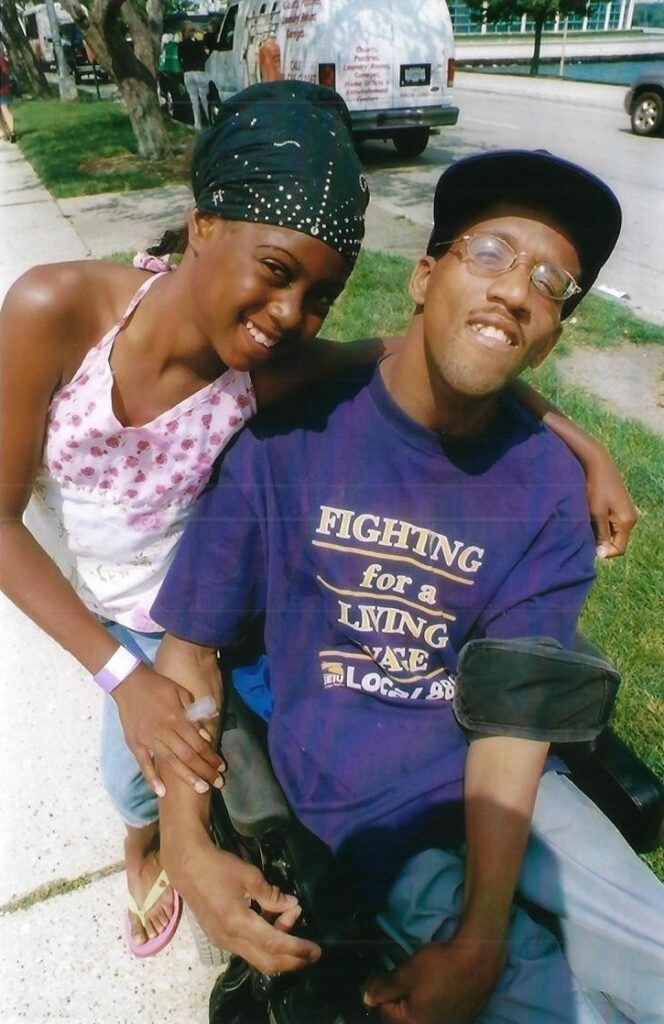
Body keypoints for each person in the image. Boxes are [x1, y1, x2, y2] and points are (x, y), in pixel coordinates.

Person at [0, 77, 634, 960]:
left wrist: (580, 443)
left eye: (321, 296)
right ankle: (141, 850)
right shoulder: (54, 311)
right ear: (202, 225)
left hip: (201, 600)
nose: (290, 317)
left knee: (197, 757)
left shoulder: (265, 365)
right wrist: (119, 675)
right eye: (276, 272)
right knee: (134, 781)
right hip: (117, 612)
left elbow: (432, 347)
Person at [152, 150, 663, 1024]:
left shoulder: (543, 488)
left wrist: (482, 936)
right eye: (491, 253)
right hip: (370, 817)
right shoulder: (290, 439)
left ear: (553, 332)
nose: (517, 292)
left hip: (516, 797)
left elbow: (512, 713)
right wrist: (185, 844)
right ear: (426, 275)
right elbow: (190, 649)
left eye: (553, 284)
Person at [178, 21, 210, 130]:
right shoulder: (198, 43)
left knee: (194, 101)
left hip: (188, 73)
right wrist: (199, 31)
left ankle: (198, 125)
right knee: (205, 99)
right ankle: (210, 121)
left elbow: (180, 60)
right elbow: (204, 54)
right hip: (199, 72)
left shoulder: (181, 45)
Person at [0, 44, 17, 144]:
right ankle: (12, 131)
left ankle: (4, 133)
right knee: (5, 110)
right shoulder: (0, 57)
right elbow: (6, 71)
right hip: (3, 88)